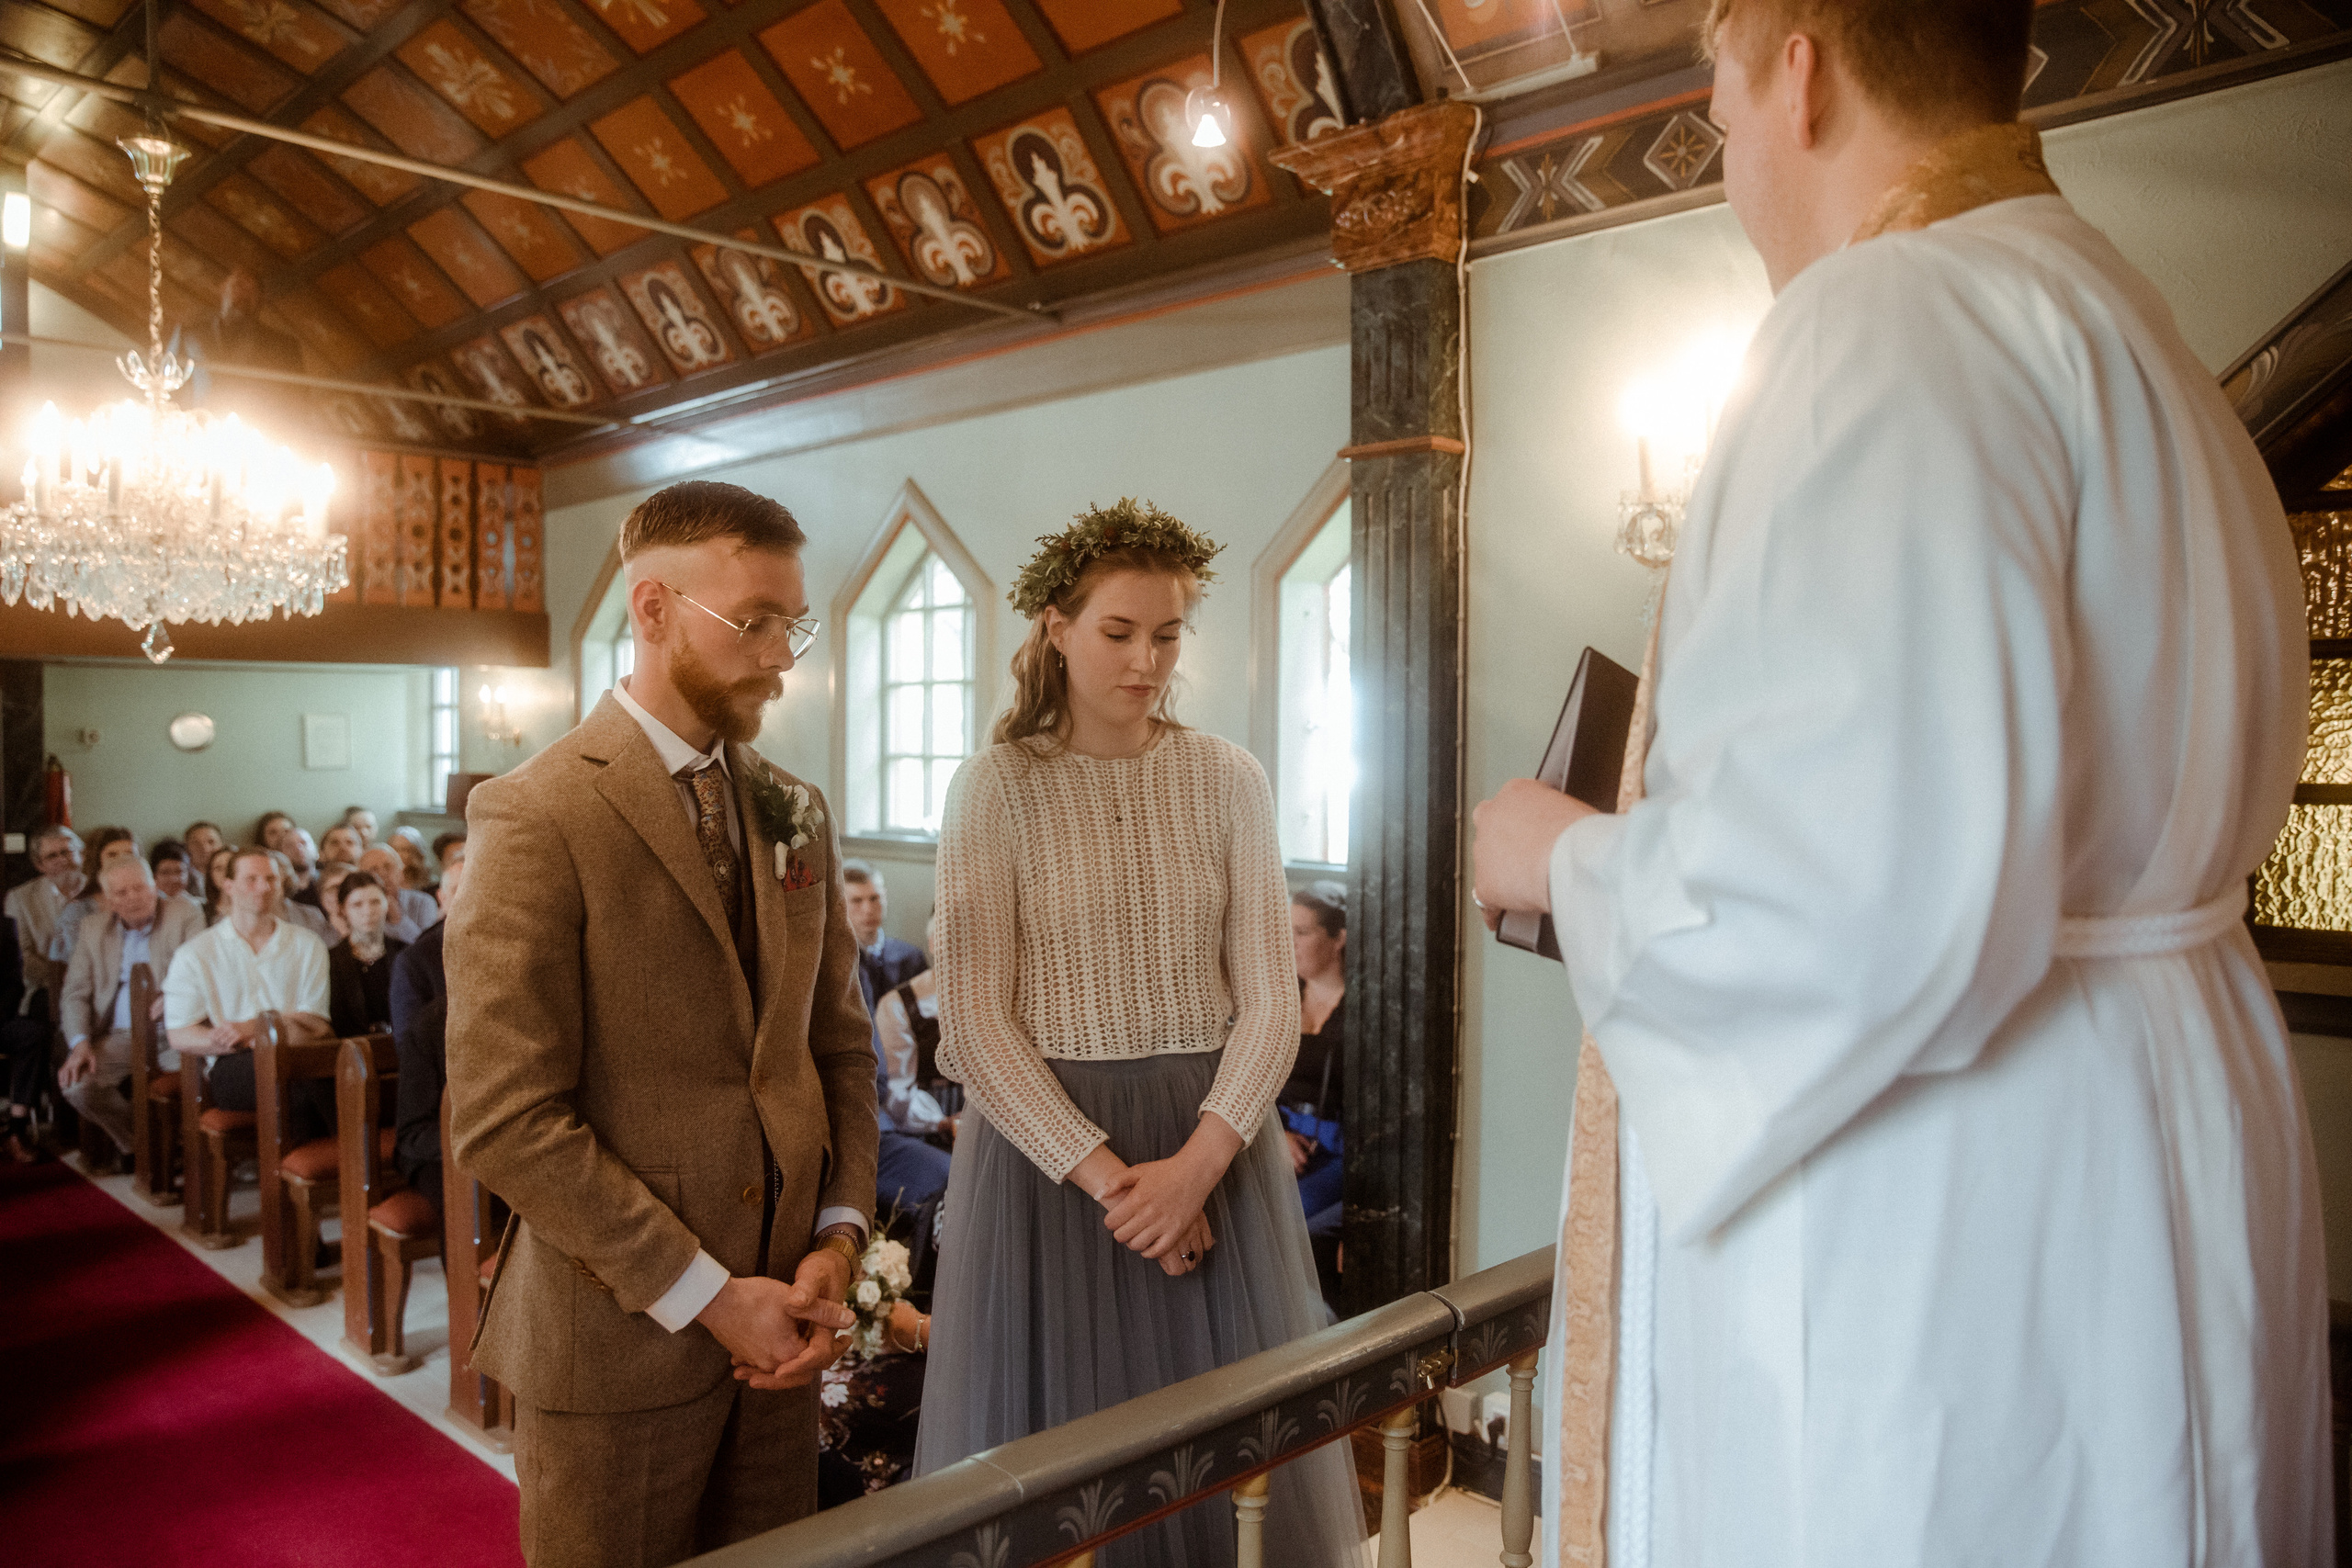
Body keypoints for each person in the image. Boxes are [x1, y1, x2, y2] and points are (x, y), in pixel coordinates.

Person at [1466, 3, 2328, 1562]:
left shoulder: (1884, 319)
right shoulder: (2124, 324)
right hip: (2157, 1132)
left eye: (1719, 99)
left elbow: (1849, 892)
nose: (1722, 142)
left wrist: (1561, 858)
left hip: (1960, 1204)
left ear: (1800, 71)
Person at [913, 502, 1363, 1563]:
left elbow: (1270, 999)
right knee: (1063, 1471)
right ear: (1056, 628)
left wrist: (1195, 1171)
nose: (1146, 661)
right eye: (1118, 632)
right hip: (1052, 1163)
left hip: (1209, 1139)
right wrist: (1124, 1187)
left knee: (1224, 1459)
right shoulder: (993, 787)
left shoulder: (1229, 777)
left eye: (1166, 634)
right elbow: (974, 1022)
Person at [448, 479, 878, 1568]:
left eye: (793, 625)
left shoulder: (793, 807)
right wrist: (709, 1297)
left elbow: (836, 1050)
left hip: (784, 1332)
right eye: (756, 622)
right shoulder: (537, 811)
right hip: (618, 1345)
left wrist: (837, 1239)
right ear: (653, 609)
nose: (781, 657)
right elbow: (504, 1119)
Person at [164, 847, 333, 1145]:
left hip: (298, 1054)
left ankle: (305, 1167)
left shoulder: (307, 944)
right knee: (301, 1086)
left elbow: (317, 1025)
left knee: (325, 1078)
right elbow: (179, 1034)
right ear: (228, 886)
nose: (264, 887)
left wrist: (254, 1027)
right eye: (252, 879)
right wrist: (239, 1039)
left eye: (271, 879)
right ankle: (321, 1166)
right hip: (234, 1064)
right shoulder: (196, 953)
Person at [57, 857, 203, 1162]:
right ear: (110, 901)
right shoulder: (92, 928)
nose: (133, 897)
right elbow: (74, 994)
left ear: (154, 887)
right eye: (121, 892)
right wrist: (80, 1044)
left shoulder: (184, 914)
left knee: (202, 1080)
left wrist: (175, 995)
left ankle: (185, 1151)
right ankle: (144, 1148)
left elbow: (202, 970)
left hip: (175, 1031)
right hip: (119, 1036)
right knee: (77, 1086)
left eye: (139, 888)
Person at [1285, 882, 1345, 1313]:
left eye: (1301, 932)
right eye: (1285, 930)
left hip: (1340, 1150)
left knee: (1294, 1215)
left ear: (1338, 938)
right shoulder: (1278, 998)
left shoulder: (1365, 1007)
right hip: (1279, 1137)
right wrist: (1275, 1136)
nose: (1289, 942)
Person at [392, 839, 464, 1043]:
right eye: (457, 890)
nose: (466, 899)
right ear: (442, 898)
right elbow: (411, 1042)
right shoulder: (415, 961)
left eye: (474, 890)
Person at [7, 826, 82, 1014]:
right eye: (52, 856)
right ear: (39, 865)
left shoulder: (102, 890)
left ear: (81, 853)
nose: (61, 860)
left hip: (99, 986)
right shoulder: (20, 899)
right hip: (46, 987)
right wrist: (61, 977)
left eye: (66, 852)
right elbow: (22, 955)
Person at [326, 870, 405, 1038]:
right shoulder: (330, 960)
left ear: (387, 904)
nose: (368, 911)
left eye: (375, 902)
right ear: (343, 909)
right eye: (357, 905)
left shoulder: (404, 953)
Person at [842, 862, 925, 1014]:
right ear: (841, 905)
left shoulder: (911, 958)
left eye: (874, 898)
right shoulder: (835, 962)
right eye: (857, 901)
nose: (868, 910)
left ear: (884, 898)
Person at [50, 829, 138, 971]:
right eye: (112, 855)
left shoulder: (157, 900)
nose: (121, 861)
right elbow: (75, 966)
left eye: (129, 854)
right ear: (98, 861)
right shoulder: (77, 911)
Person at [359, 843, 437, 934]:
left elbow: (429, 942)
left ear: (401, 872)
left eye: (388, 867)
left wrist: (398, 919)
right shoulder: (356, 907)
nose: (382, 874)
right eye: (373, 869)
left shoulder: (423, 902)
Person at [148, 840, 201, 914]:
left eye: (179, 872)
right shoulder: (145, 907)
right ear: (154, 876)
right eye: (165, 872)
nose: (173, 879)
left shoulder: (196, 906)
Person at [390, 825, 435, 895]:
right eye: (396, 849)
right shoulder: (385, 882)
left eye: (404, 850)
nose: (399, 854)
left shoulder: (431, 885)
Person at [183, 822, 225, 897]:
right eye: (196, 843)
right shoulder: (181, 878)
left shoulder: (234, 875)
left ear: (221, 845)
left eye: (211, 842)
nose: (205, 849)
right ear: (187, 849)